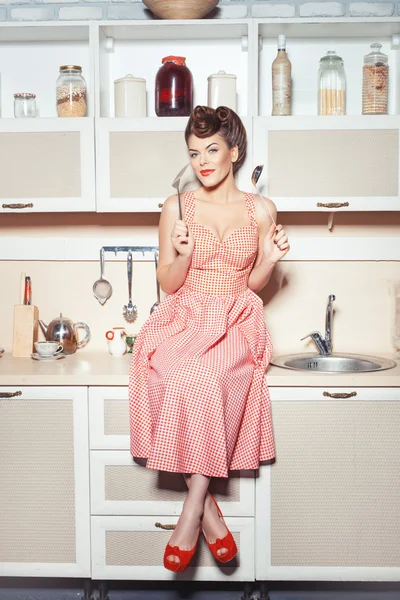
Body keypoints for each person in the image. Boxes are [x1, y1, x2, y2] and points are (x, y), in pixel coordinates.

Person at [129, 105, 290, 573]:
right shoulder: (175, 207)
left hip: (236, 317)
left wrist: (271, 259)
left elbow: (254, 283)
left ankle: (189, 513)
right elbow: (168, 282)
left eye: (212, 150)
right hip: (184, 314)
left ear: (234, 152)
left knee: (207, 377)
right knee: (170, 374)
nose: (203, 161)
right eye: (194, 152)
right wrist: (179, 253)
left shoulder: (261, 209)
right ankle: (211, 515)